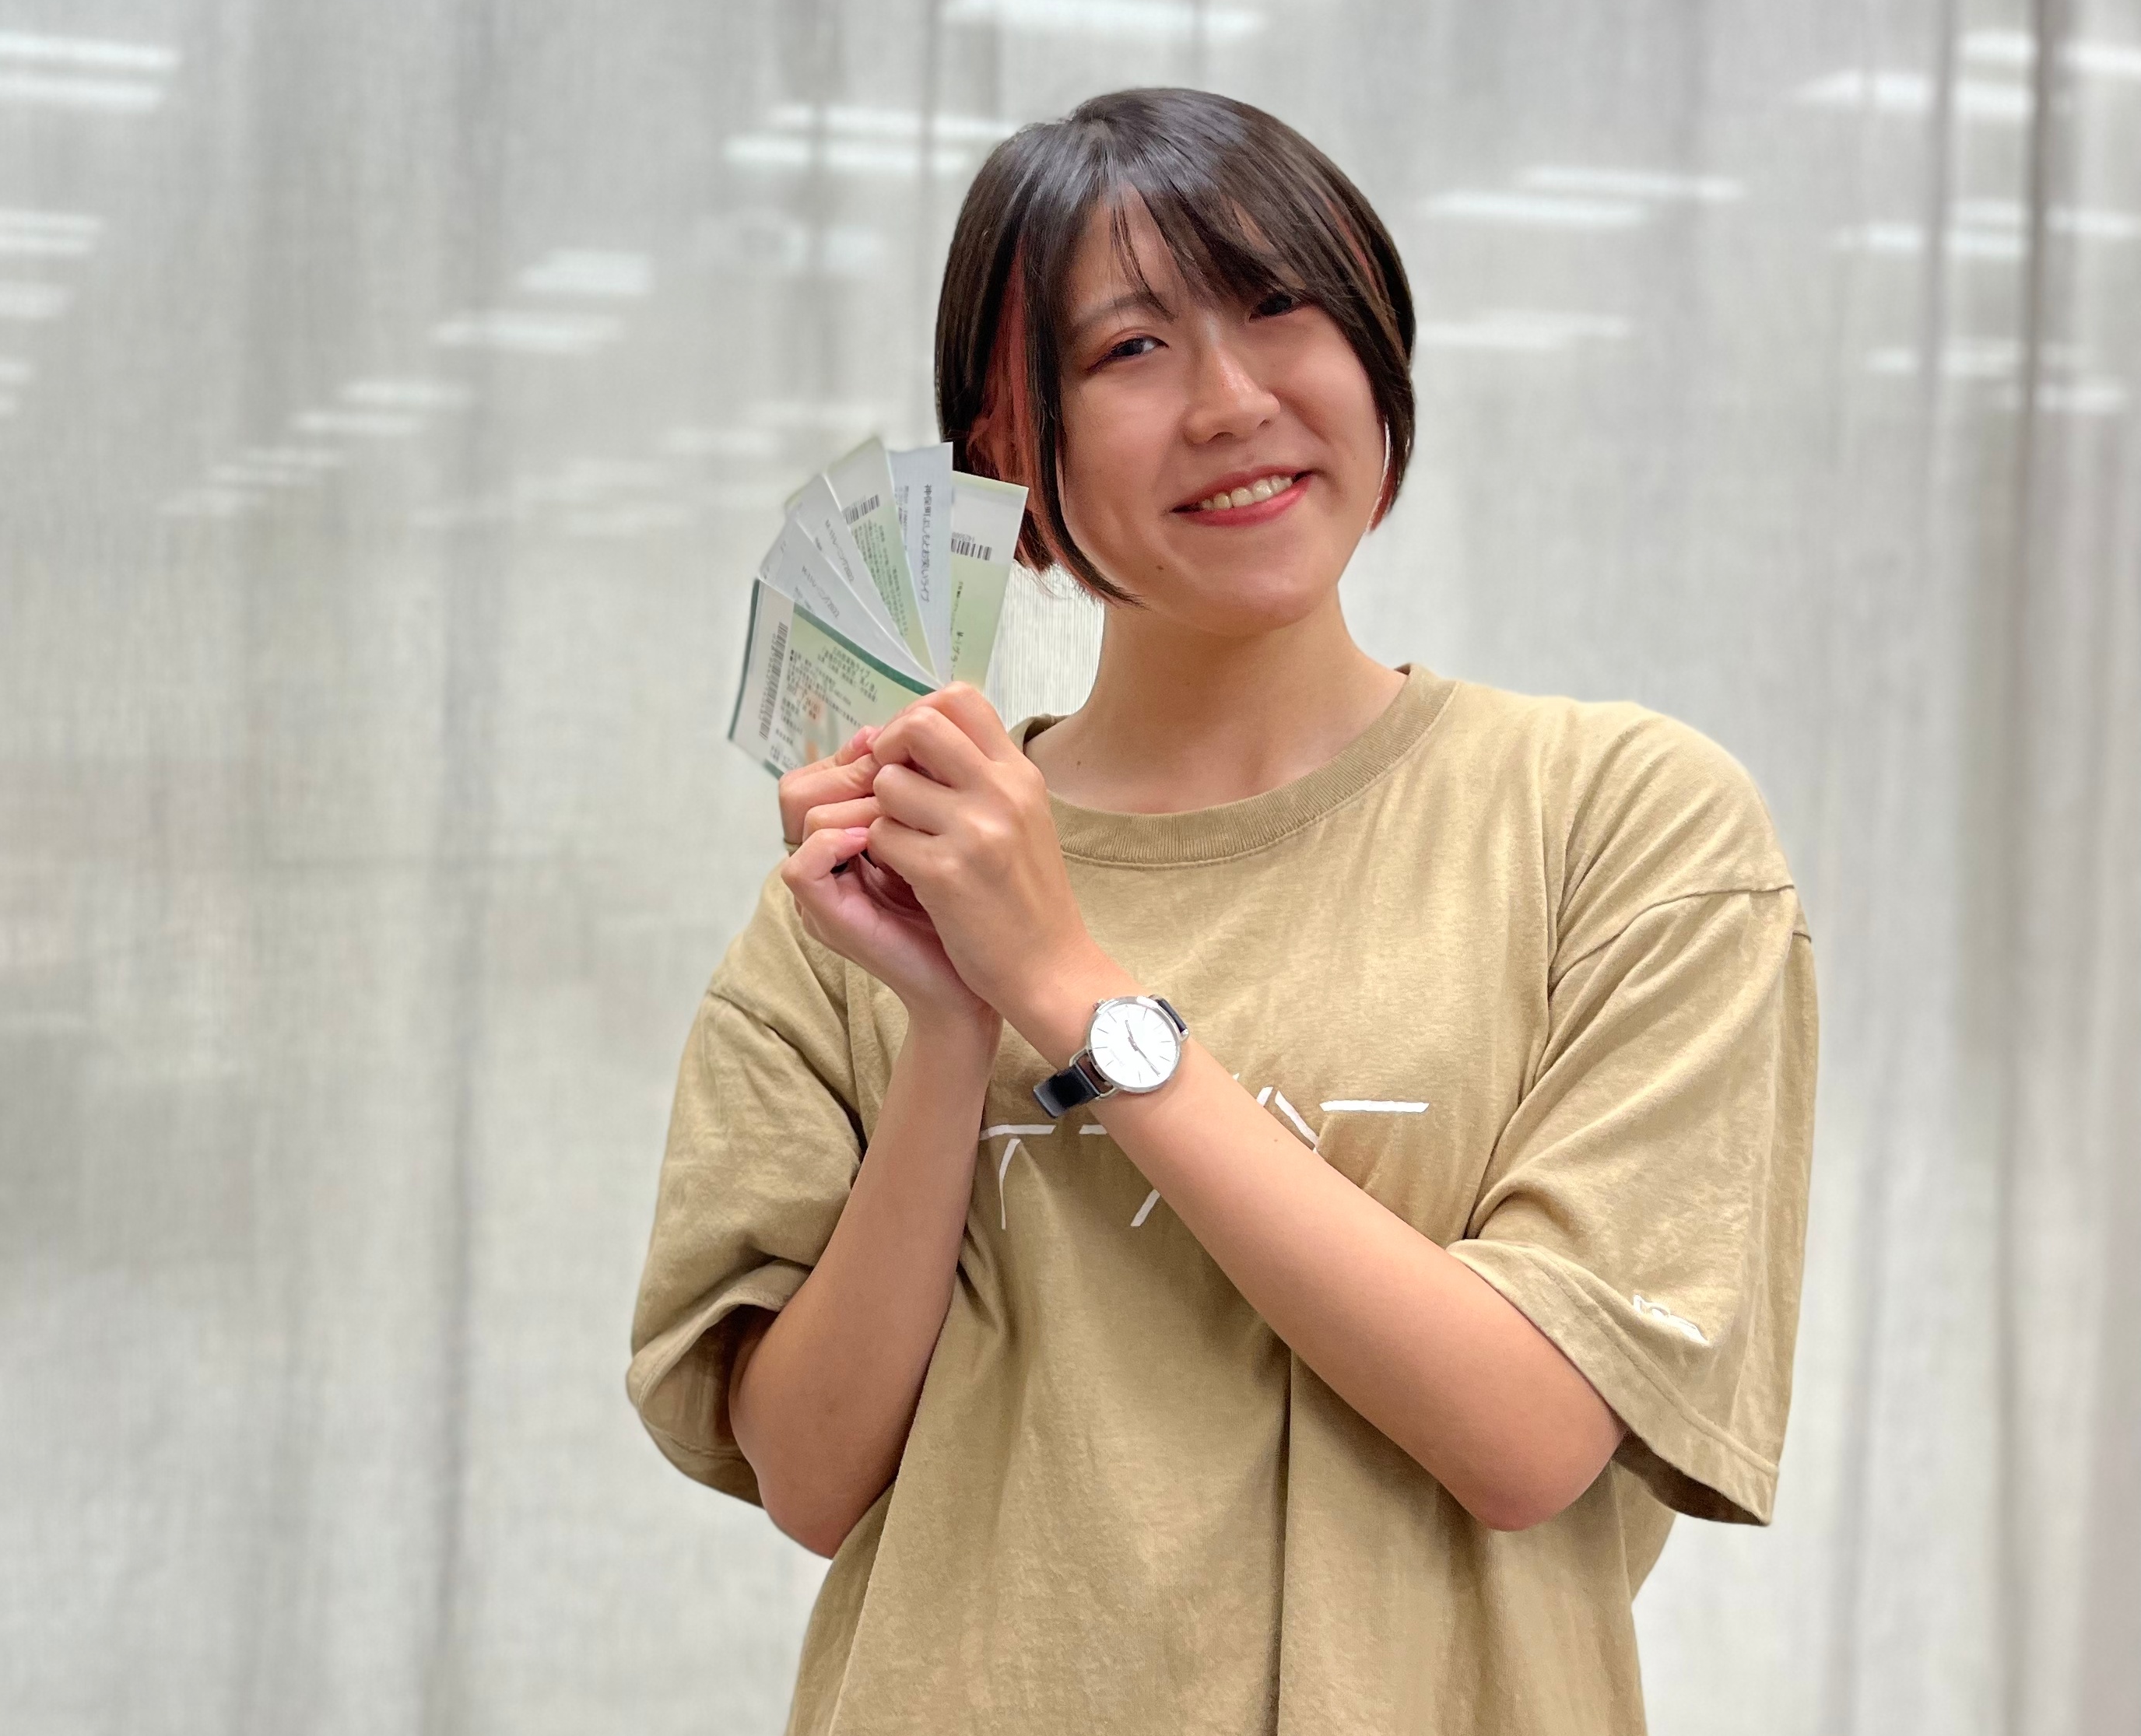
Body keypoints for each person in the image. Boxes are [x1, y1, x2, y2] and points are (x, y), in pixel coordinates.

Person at [627, 87, 1816, 1734]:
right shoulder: (880, 891)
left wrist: (1064, 986)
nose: (1235, 401)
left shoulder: (1622, 823)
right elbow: (815, 1477)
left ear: (1380, 352)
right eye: (1131, 348)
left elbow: (1529, 1436)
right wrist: (949, 1022)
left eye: (1282, 307)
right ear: (1008, 448)